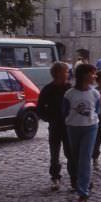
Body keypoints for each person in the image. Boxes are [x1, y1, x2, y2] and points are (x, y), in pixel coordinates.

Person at [63, 63, 101, 202]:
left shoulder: (95, 93)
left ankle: (83, 194)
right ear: (85, 75)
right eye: (93, 73)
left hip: (90, 128)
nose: (94, 76)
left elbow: (96, 110)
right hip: (73, 127)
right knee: (75, 158)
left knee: (85, 159)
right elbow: (64, 111)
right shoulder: (70, 94)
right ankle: (80, 182)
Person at [37, 62, 74, 191]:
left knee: (70, 153)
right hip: (55, 126)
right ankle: (55, 177)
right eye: (66, 71)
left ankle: (74, 179)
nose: (68, 74)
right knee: (55, 154)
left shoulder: (70, 88)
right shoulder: (48, 89)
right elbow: (40, 109)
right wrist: (50, 119)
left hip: (69, 126)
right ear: (58, 73)